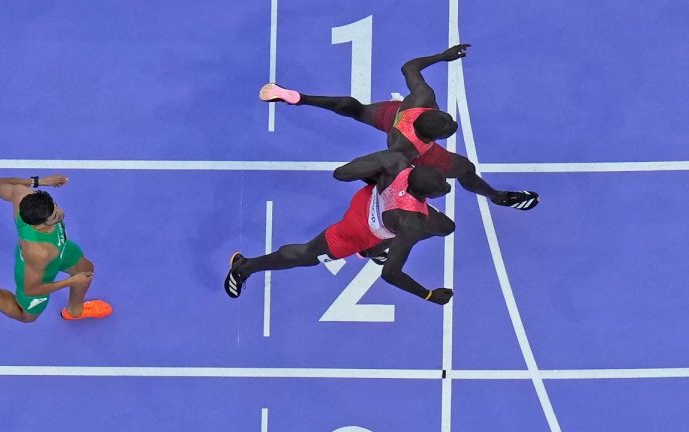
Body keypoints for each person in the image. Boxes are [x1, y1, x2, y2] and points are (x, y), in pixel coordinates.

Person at [260, 44, 539, 211]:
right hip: (413, 147)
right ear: (431, 136)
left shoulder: (421, 98)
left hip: (394, 114)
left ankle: (298, 98)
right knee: (465, 169)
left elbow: (409, 67)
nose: (453, 126)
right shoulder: (404, 149)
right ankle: (497, 197)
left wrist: (442, 56)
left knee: (354, 108)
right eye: (448, 131)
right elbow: (389, 170)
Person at [224, 151, 455, 305]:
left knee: (445, 227)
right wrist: (428, 295)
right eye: (442, 188)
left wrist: (377, 179)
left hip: (368, 198)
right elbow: (391, 274)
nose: (447, 188)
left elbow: (342, 173)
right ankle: (244, 266)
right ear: (425, 194)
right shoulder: (412, 223)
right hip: (357, 230)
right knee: (307, 255)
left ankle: (372, 251)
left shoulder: (396, 161)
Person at [0, 175, 112, 322]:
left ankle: (74, 311)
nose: (61, 212)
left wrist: (40, 182)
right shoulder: (38, 253)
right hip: (40, 269)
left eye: (55, 206)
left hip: (62, 249)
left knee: (87, 270)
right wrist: (72, 282)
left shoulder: (23, 196)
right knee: (26, 316)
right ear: (40, 225)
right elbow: (32, 289)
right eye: (55, 215)